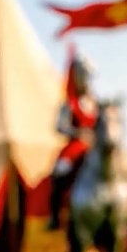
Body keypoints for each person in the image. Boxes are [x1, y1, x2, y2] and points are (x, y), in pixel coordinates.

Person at [48, 55, 98, 231]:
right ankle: (55, 215)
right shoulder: (69, 104)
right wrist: (78, 132)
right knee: (59, 172)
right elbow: (59, 127)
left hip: (93, 148)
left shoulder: (95, 104)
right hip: (74, 148)